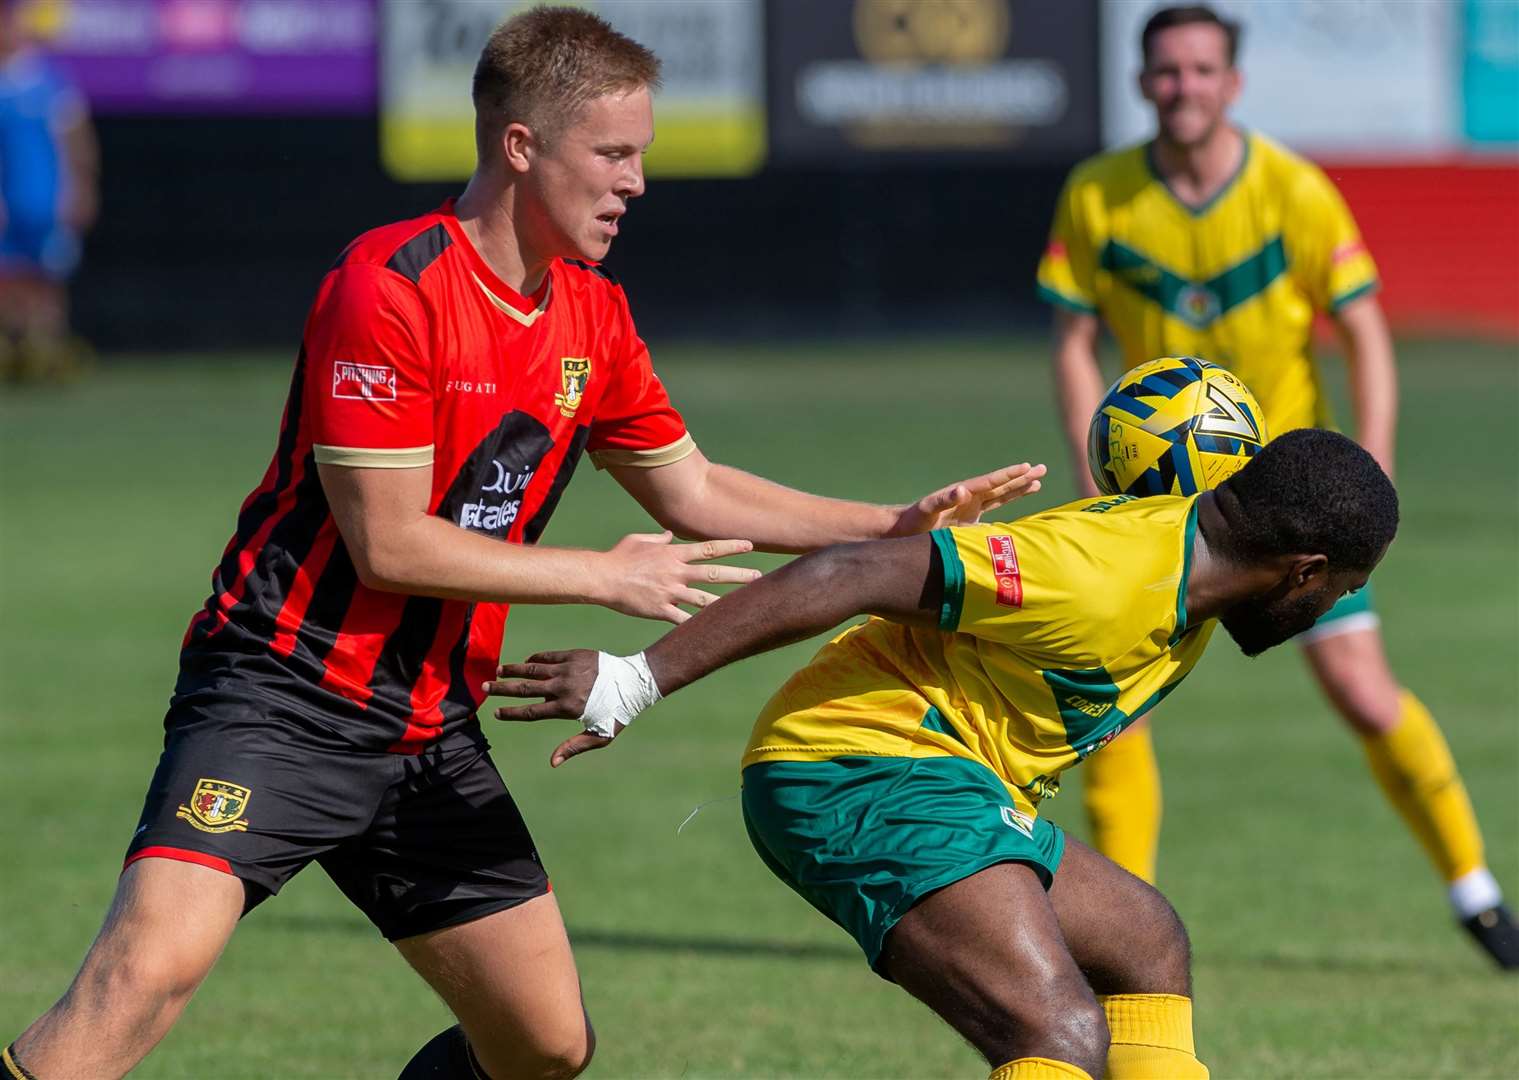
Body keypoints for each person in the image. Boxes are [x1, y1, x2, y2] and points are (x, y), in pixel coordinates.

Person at [0, 9, 1047, 1080]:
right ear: (519, 147)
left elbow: (689, 487)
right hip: (280, 696)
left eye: (638, 155)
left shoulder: (592, 314)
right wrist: (601, 575)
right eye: (613, 154)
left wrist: (889, 524)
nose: (636, 182)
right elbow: (389, 546)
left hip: (426, 732)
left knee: (543, 1047)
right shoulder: (391, 285)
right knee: (146, 974)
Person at [484, 428, 1400, 1080]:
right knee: (1055, 1034)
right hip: (856, 768)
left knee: (1145, 943)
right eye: (1342, 590)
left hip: (948, 781)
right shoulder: (1102, 576)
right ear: (1303, 569)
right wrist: (633, 681)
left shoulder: (1195, 571)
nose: (1330, 611)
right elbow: (840, 573)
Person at [1034, 3, 1516, 967]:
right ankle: (1120, 933)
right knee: (1109, 709)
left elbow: (1366, 330)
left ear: (1233, 84)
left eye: (1202, 70)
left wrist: (1367, 463)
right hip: (1156, 508)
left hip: (1289, 502)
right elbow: (1071, 338)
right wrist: (1098, 458)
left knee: (1366, 695)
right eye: (1167, 71)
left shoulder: (1293, 190)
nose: (1184, 87)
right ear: (1141, 83)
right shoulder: (1096, 195)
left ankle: (1479, 898)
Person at [0, 0, 97, 382]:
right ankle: (15, 354)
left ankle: (48, 355)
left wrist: (83, 189)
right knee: (8, 279)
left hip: (46, 202)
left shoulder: (49, 81)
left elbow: (77, 143)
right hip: (9, 204)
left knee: (47, 279)